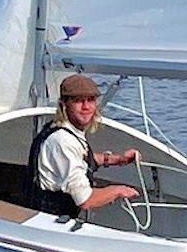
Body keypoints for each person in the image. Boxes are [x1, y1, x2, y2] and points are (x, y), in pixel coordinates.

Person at [23, 74, 139, 218]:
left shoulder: (62, 129)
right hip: (51, 222)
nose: (86, 107)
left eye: (90, 100)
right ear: (64, 105)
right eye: (78, 101)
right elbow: (85, 200)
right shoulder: (62, 140)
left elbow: (80, 158)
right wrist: (118, 191)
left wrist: (117, 160)